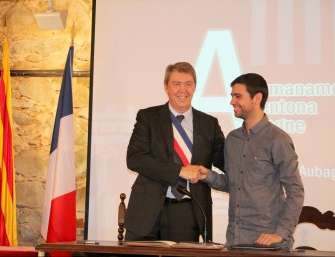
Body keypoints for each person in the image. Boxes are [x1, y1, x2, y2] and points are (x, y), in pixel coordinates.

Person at [199, 73, 304, 249]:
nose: (232, 102)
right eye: (232, 96)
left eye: (237, 96)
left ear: (257, 98)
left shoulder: (278, 139)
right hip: (235, 238)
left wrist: (281, 233)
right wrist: (208, 175)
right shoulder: (232, 139)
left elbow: (295, 190)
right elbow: (233, 183)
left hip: (267, 241)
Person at [124, 62, 225, 242]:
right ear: (166, 87)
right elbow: (135, 159)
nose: (182, 90)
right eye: (176, 84)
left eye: (188, 84)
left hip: (187, 211)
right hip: (146, 209)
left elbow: (227, 162)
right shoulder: (148, 117)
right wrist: (179, 171)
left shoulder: (209, 124)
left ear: (195, 87)